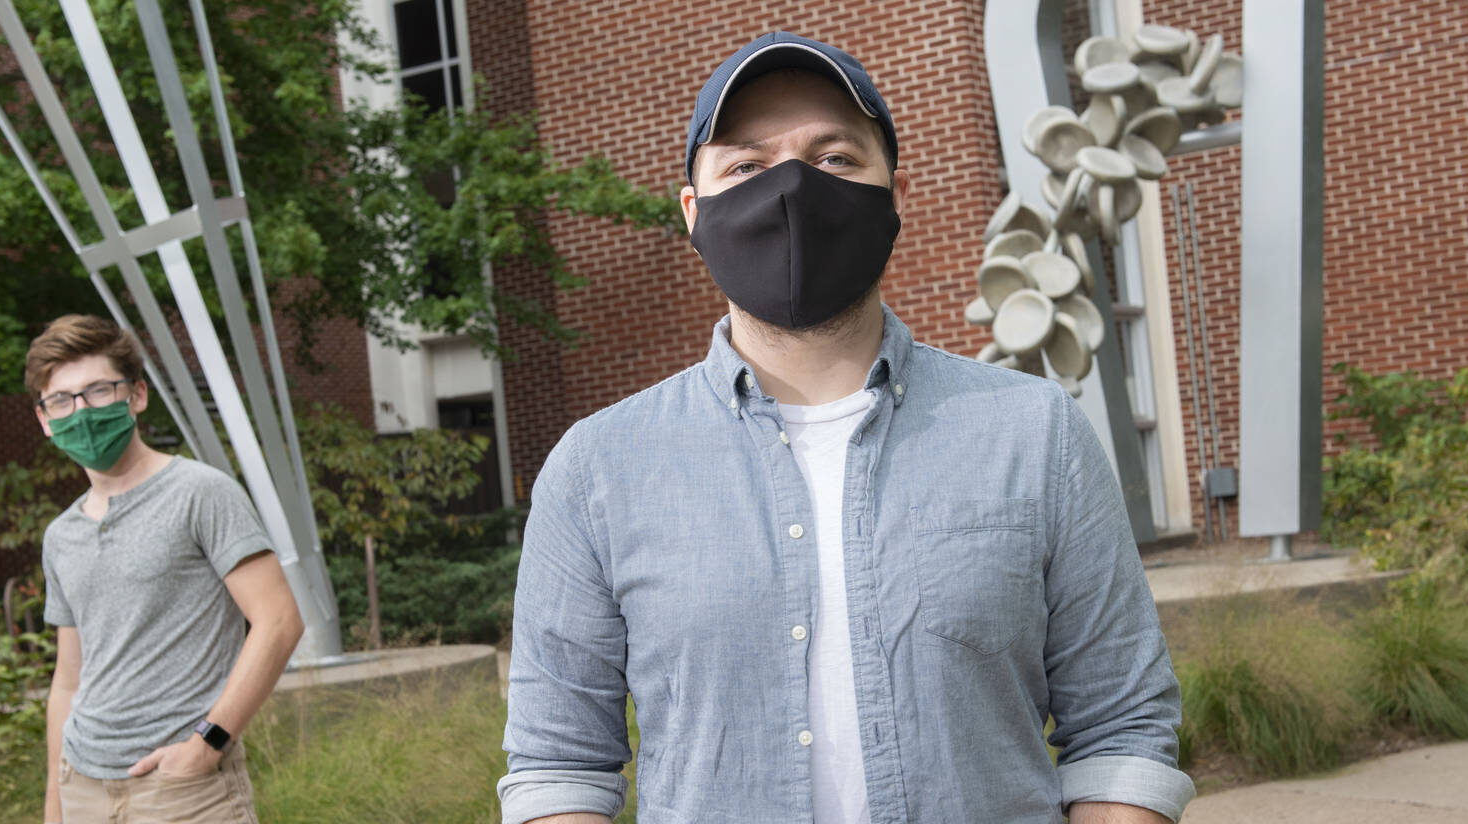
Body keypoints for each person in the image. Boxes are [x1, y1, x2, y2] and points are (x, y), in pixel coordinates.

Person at [499, 32, 1194, 824]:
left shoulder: (1033, 435)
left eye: (834, 160)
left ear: (892, 194)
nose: (792, 189)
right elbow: (558, 766)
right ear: (693, 212)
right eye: (746, 167)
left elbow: (1121, 729)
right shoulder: (599, 468)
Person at [28, 315, 304, 824]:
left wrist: (208, 745)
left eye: (98, 391)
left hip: (181, 789)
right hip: (82, 786)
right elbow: (68, 681)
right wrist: (55, 805)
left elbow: (280, 621)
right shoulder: (60, 535)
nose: (81, 411)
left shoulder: (201, 493)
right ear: (45, 419)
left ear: (136, 395)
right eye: (62, 400)